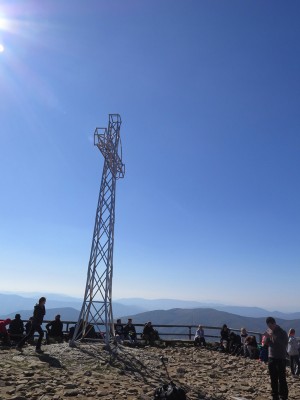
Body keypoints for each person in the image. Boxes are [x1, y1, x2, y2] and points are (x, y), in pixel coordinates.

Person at [264, 316, 288, 400]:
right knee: (273, 378)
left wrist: (274, 336)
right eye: (268, 326)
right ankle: (275, 395)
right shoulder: (269, 331)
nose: (269, 328)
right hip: (271, 357)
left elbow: (284, 344)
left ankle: (283, 396)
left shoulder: (282, 332)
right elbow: (266, 344)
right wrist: (266, 338)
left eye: (271, 326)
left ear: (274, 323)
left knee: (282, 378)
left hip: (280, 358)